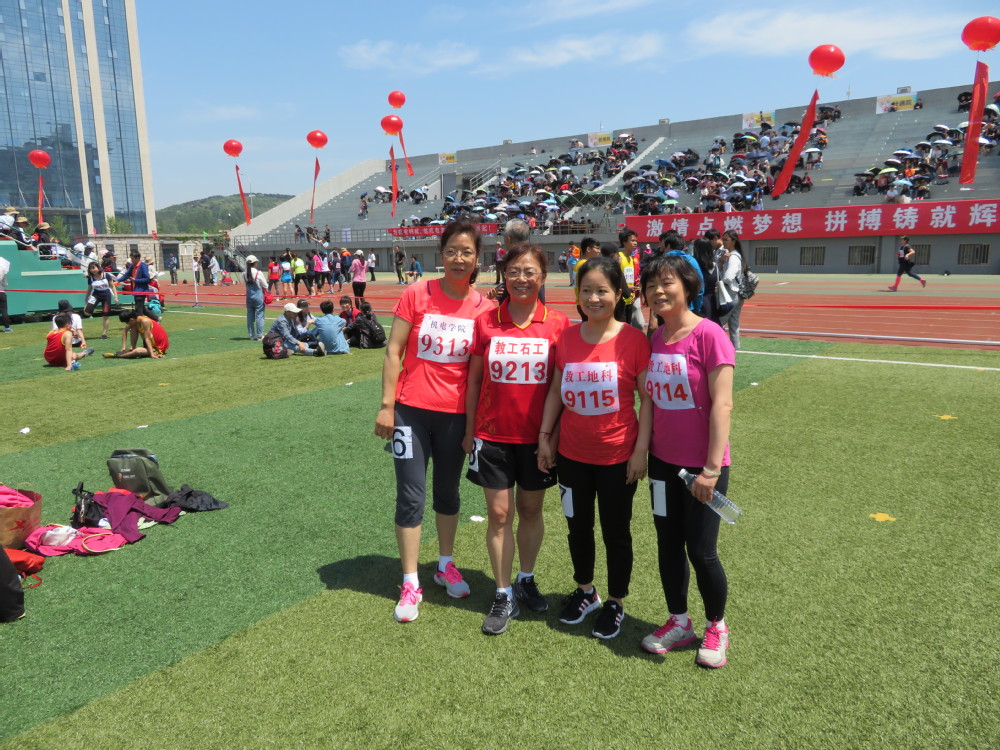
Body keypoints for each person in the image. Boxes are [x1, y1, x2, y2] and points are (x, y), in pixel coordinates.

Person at [374, 220, 493, 623]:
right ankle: (410, 581)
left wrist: (473, 427)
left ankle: (445, 565)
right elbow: (393, 351)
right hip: (410, 411)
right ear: (441, 254)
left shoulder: (483, 309)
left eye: (467, 252)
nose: (459, 259)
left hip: (454, 417)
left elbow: (477, 375)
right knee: (410, 495)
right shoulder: (417, 293)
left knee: (447, 492)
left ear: (478, 258)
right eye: (452, 251)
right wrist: (387, 406)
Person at [537, 256, 652, 639]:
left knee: (616, 532)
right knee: (577, 528)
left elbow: (647, 400)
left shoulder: (634, 341)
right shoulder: (568, 338)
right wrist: (545, 437)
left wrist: (640, 451)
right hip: (572, 457)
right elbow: (556, 390)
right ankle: (586, 590)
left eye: (602, 290)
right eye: (586, 290)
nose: (593, 298)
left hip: (618, 458)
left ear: (618, 294)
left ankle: (616, 601)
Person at [464, 243, 569, 635]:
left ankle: (526, 577)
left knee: (530, 510)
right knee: (498, 514)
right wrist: (470, 431)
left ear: (543, 277)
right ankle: (503, 592)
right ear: (503, 276)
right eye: (514, 272)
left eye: (529, 272)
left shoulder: (558, 324)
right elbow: (474, 380)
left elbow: (560, 386)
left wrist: (551, 437)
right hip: (491, 436)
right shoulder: (486, 322)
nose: (521, 279)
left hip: (537, 440)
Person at [638, 251, 736, 669]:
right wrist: (642, 452)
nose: (658, 291)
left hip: (701, 469)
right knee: (667, 544)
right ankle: (679, 621)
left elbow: (722, 405)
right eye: (651, 285)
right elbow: (650, 401)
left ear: (688, 287)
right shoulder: (656, 338)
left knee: (702, 550)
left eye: (667, 283)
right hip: (662, 465)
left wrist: (710, 470)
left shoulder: (710, 334)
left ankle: (717, 626)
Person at [718, 231, 746, 350]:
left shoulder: (733, 257)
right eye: (723, 239)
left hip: (730, 293)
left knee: (719, 322)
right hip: (737, 293)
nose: (723, 242)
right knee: (734, 324)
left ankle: (719, 348)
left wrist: (720, 282)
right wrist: (722, 262)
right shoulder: (733, 255)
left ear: (734, 241)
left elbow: (728, 277)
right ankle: (734, 349)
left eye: (726, 239)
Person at [103, 310, 169, 359]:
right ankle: (132, 348)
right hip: (151, 343)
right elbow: (124, 330)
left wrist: (152, 355)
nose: (126, 324)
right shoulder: (136, 320)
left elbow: (147, 339)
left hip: (158, 347)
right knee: (133, 327)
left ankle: (118, 356)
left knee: (137, 351)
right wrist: (123, 347)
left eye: (127, 322)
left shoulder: (145, 321)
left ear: (131, 319)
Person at [118, 249, 150, 315]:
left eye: (132, 258)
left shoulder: (143, 266)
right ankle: (157, 318)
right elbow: (126, 275)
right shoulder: (132, 266)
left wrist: (135, 280)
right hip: (135, 290)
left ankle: (139, 320)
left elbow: (147, 279)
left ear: (137, 258)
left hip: (141, 290)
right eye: (131, 258)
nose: (131, 260)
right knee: (142, 308)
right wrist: (117, 281)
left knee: (138, 310)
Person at [244, 254, 268, 341]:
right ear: (255, 263)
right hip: (258, 296)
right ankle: (259, 335)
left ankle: (252, 335)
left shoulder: (244, 273)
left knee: (250, 316)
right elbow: (265, 285)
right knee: (260, 315)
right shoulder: (258, 273)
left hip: (249, 296)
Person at [0, 254, 11, 332]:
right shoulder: (2, 270)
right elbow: (5, 284)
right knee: (4, 311)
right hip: (1, 293)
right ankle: (7, 328)